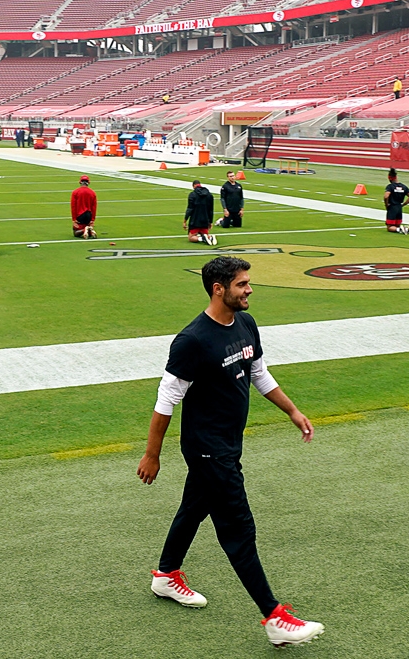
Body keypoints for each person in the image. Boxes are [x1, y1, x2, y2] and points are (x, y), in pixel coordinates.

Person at [138, 255, 324, 648]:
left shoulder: (245, 323)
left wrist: (291, 410)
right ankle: (275, 618)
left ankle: (165, 576)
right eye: (242, 284)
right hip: (208, 450)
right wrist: (153, 454)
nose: (250, 289)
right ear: (218, 289)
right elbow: (166, 398)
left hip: (228, 443)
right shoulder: (192, 341)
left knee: (194, 508)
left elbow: (257, 371)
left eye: (248, 282)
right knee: (238, 529)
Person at [384, 168, 409, 234]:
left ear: (390, 178)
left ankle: (401, 229)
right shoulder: (403, 186)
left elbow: (386, 196)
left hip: (392, 207)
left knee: (389, 227)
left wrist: (386, 204)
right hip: (399, 207)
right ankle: (406, 229)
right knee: (397, 224)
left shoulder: (390, 186)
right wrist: (403, 204)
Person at [185, 179, 216, 246]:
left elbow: (190, 209)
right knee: (204, 233)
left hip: (195, 220)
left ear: (193, 186)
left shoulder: (192, 194)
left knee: (191, 237)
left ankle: (202, 238)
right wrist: (210, 222)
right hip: (205, 220)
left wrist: (185, 221)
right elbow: (211, 210)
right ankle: (209, 237)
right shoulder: (209, 195)